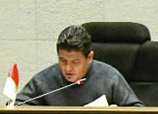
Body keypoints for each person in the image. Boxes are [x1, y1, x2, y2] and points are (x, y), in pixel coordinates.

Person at [14, 24, 143, 107]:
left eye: (75, 62)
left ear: (90, 58)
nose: (68, 68)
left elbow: (138, 112)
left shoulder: (109, 78)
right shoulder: (44, 80)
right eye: (63, 61)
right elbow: (16, 107)